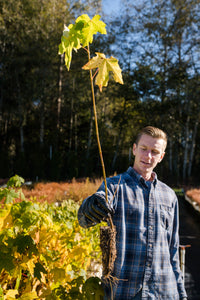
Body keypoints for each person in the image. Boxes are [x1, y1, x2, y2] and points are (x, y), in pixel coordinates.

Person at [78, 126, 187, 300]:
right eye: (144, 149)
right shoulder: (113, 187)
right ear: (134, 149)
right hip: (124, 291)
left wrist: (181, 294)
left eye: (154, 151)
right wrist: (93, 207)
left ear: (161, 156)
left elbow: (172, 249)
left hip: (165, 292)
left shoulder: (169, 196)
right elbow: (84, 219)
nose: (148, 156)